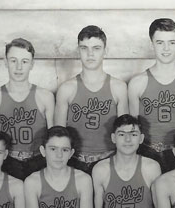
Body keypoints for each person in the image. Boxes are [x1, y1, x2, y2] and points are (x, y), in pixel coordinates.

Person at [128, 18, 175, 172]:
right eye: (160, 42)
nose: (166, 48)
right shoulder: (137, 83)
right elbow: (132, 130)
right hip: (147, 151)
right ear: (151, 44)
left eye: (172, 42)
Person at [55, 25, 128, 174]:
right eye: (84, 48)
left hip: (108, 159)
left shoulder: (118, 87)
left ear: (105, 51)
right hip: (74, 160)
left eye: (96, 48)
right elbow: (59, 136)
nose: (90, 54)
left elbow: (123, 134)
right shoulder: (67, 89)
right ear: (78, 51)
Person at [0, 38, 55, 180]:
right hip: (8, 163)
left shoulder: (45, 96)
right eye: (13, 60)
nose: (18, 67)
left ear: (32, 64)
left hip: (39, 162)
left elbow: (54, 141)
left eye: (24, 61)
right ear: (5, 62)